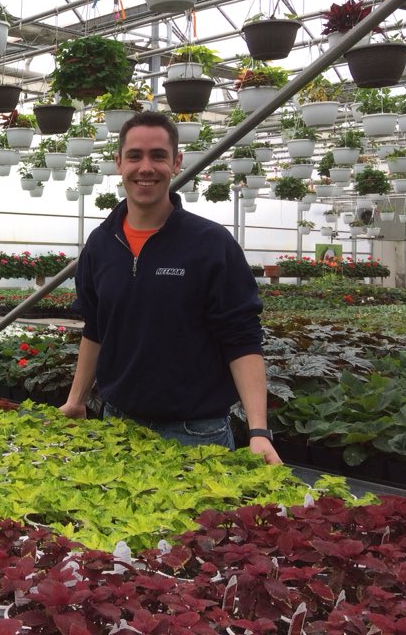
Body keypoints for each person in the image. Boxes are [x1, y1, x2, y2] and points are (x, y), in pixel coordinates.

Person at [59, 111, 281, 465]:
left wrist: (258, 431)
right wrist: (76, 400)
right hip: (117, 427)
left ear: (176, 163)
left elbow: (242, 338)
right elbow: (96, 328)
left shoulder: (210, 244)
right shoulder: (100, 244)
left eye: (158, 156)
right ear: (119, 163)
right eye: (135, 156)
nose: (146, 167)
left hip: (195, 434)